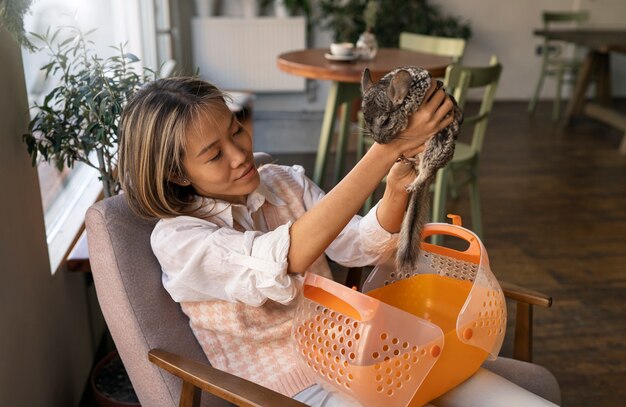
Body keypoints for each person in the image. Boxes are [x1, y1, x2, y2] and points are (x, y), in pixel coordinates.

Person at [118, 77, 557, 407]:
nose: (240, 153)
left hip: (369, 356)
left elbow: (357, 246)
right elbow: (287, 257)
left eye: (236, 130)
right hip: (290, 391)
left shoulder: (284, 182)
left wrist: (395, 190)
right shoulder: (179, 239)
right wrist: (386, 148)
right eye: (214, 154)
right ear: (176, 173)